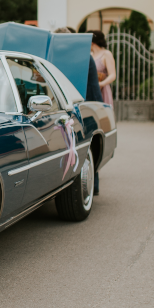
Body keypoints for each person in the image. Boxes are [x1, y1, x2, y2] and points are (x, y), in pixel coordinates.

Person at [54, 27, 103, 195]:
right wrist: (100, 108)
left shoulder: (50, 57)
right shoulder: (85, 57)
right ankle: (92, 186)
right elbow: (94, 89)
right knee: (87, 146)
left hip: (57, 111)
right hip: (82, 108)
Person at [90, 30, 116, 107]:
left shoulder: (106, 54)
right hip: (91, 88)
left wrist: (101, 84)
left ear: (92, 42)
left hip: (102, 89)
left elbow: (112, 75)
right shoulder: (90, 54)